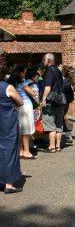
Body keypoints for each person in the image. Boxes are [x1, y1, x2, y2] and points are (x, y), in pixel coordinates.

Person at [0, 65, 24, 194]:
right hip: (7, 122)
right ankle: (9, 184)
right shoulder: (7, 87)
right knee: (10, 150)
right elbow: (20, 102)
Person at [12, 65, 37, 159]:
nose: (25, 73)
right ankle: (26, 151)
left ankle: (21, 150)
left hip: (17, 106)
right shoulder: (22, 82)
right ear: (21, 73)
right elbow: (32, 93)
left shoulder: (11, 81)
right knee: (26, 130)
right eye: (24, 72)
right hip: (25, 106)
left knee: (20, 130)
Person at [41, 53, 65, 152]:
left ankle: (52, 147)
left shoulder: (49, 71)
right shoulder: (58, 70)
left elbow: (47, 87)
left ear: (49, 60)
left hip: (51, 101)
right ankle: (58, 146)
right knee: (59, 124)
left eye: (44, 59)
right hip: (60, 99)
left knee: (50, 124)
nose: (43, 61)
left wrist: (43, 99)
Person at [62, 65, 75, 143]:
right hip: (66, 101)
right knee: (63, 117)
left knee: (61, 118)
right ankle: (68, 134)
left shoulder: (64, 81)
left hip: (62, 101)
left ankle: (67, 134)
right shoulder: (69, 80)